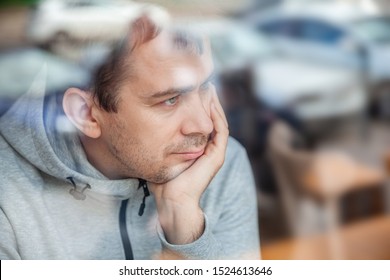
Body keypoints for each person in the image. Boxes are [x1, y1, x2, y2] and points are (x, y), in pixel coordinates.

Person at [0, 13, 260, 260]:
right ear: (86, 114)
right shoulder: (8, 192)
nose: (204, 126)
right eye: (170, 100)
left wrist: (184, 220)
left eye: (204, 87)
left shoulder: (218, 162)